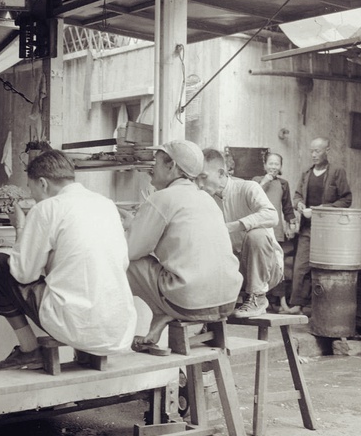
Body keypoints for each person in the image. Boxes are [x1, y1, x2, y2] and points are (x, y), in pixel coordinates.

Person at [0, 149, 137, 370]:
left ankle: (29, 349)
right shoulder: (106, 204)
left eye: (31, 189)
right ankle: (82, 352)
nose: (33, 195)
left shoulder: (46, 208)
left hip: (75, 324)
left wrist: (20, 226)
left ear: (43, 183)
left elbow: (23, 273)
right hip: (117, 327)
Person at [124, 140, 242, 352]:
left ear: (171, 166)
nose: (152, 168)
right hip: (228, 302)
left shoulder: (162, 198)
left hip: (191, 304)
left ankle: (105, 339)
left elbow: (130, 251)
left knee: (125, 264)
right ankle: (162, 313)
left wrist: (130, 225)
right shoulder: (206, 198)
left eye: (156, 162)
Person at [197, 148, 283, 318]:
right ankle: (210, 306)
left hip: (268, 269)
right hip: (235, 269)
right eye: (196, 178)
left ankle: (258, 297)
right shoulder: (205, 199)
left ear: (221, 173)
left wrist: (235, 225)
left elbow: (272, 216)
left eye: (204, 177)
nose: (199, 184)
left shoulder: (248, 187)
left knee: (256, 235)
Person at [288, 137, 352, 315]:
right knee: (301, 266)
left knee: (324, 267)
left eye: (317, 151)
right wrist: (299, 204)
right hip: (307, 228)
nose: (314, 155)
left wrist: (323, 208)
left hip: (328, 229)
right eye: (312, 151)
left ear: (327, 151)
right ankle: (297, 305)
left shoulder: (337, 172)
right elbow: (297, 195)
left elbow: (347, 199)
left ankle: (322, 309)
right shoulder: (306, 173)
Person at [252, 152, 297, 313]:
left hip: (276, 230)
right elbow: (252, 196)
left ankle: (282, 303)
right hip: (258, 229)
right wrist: (265, 181)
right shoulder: (256, 181)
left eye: (276, 164)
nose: (273, 167)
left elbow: (288, 208)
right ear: (265, 165)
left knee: (278, 266)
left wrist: (291, 224)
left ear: (280, 167)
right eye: (270, 163)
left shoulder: (283, 184)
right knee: (260, 265)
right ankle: (259, 301)